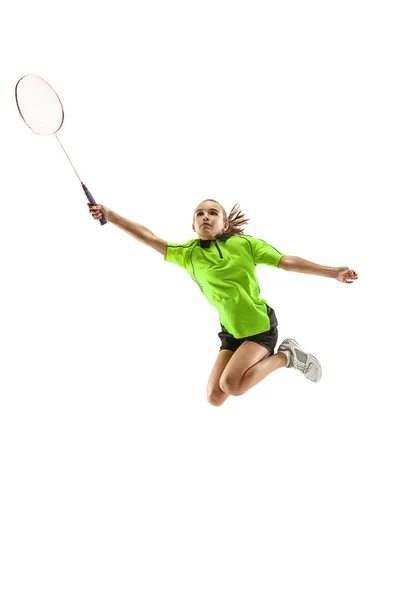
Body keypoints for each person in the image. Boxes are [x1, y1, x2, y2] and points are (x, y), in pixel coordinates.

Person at [88, 199, 358, 407]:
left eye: (213, 212)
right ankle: (280, 357)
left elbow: (286, 262)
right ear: (193, 226)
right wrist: (110, 216)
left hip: (259, 327)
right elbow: (148, 237)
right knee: (216, 397)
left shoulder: (245, 244)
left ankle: (287, 357)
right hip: (231, 331)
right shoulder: (187, 255)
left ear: (225, 224)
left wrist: (332, 271)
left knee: (234, 385)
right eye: (200, 213)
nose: (206, 216)